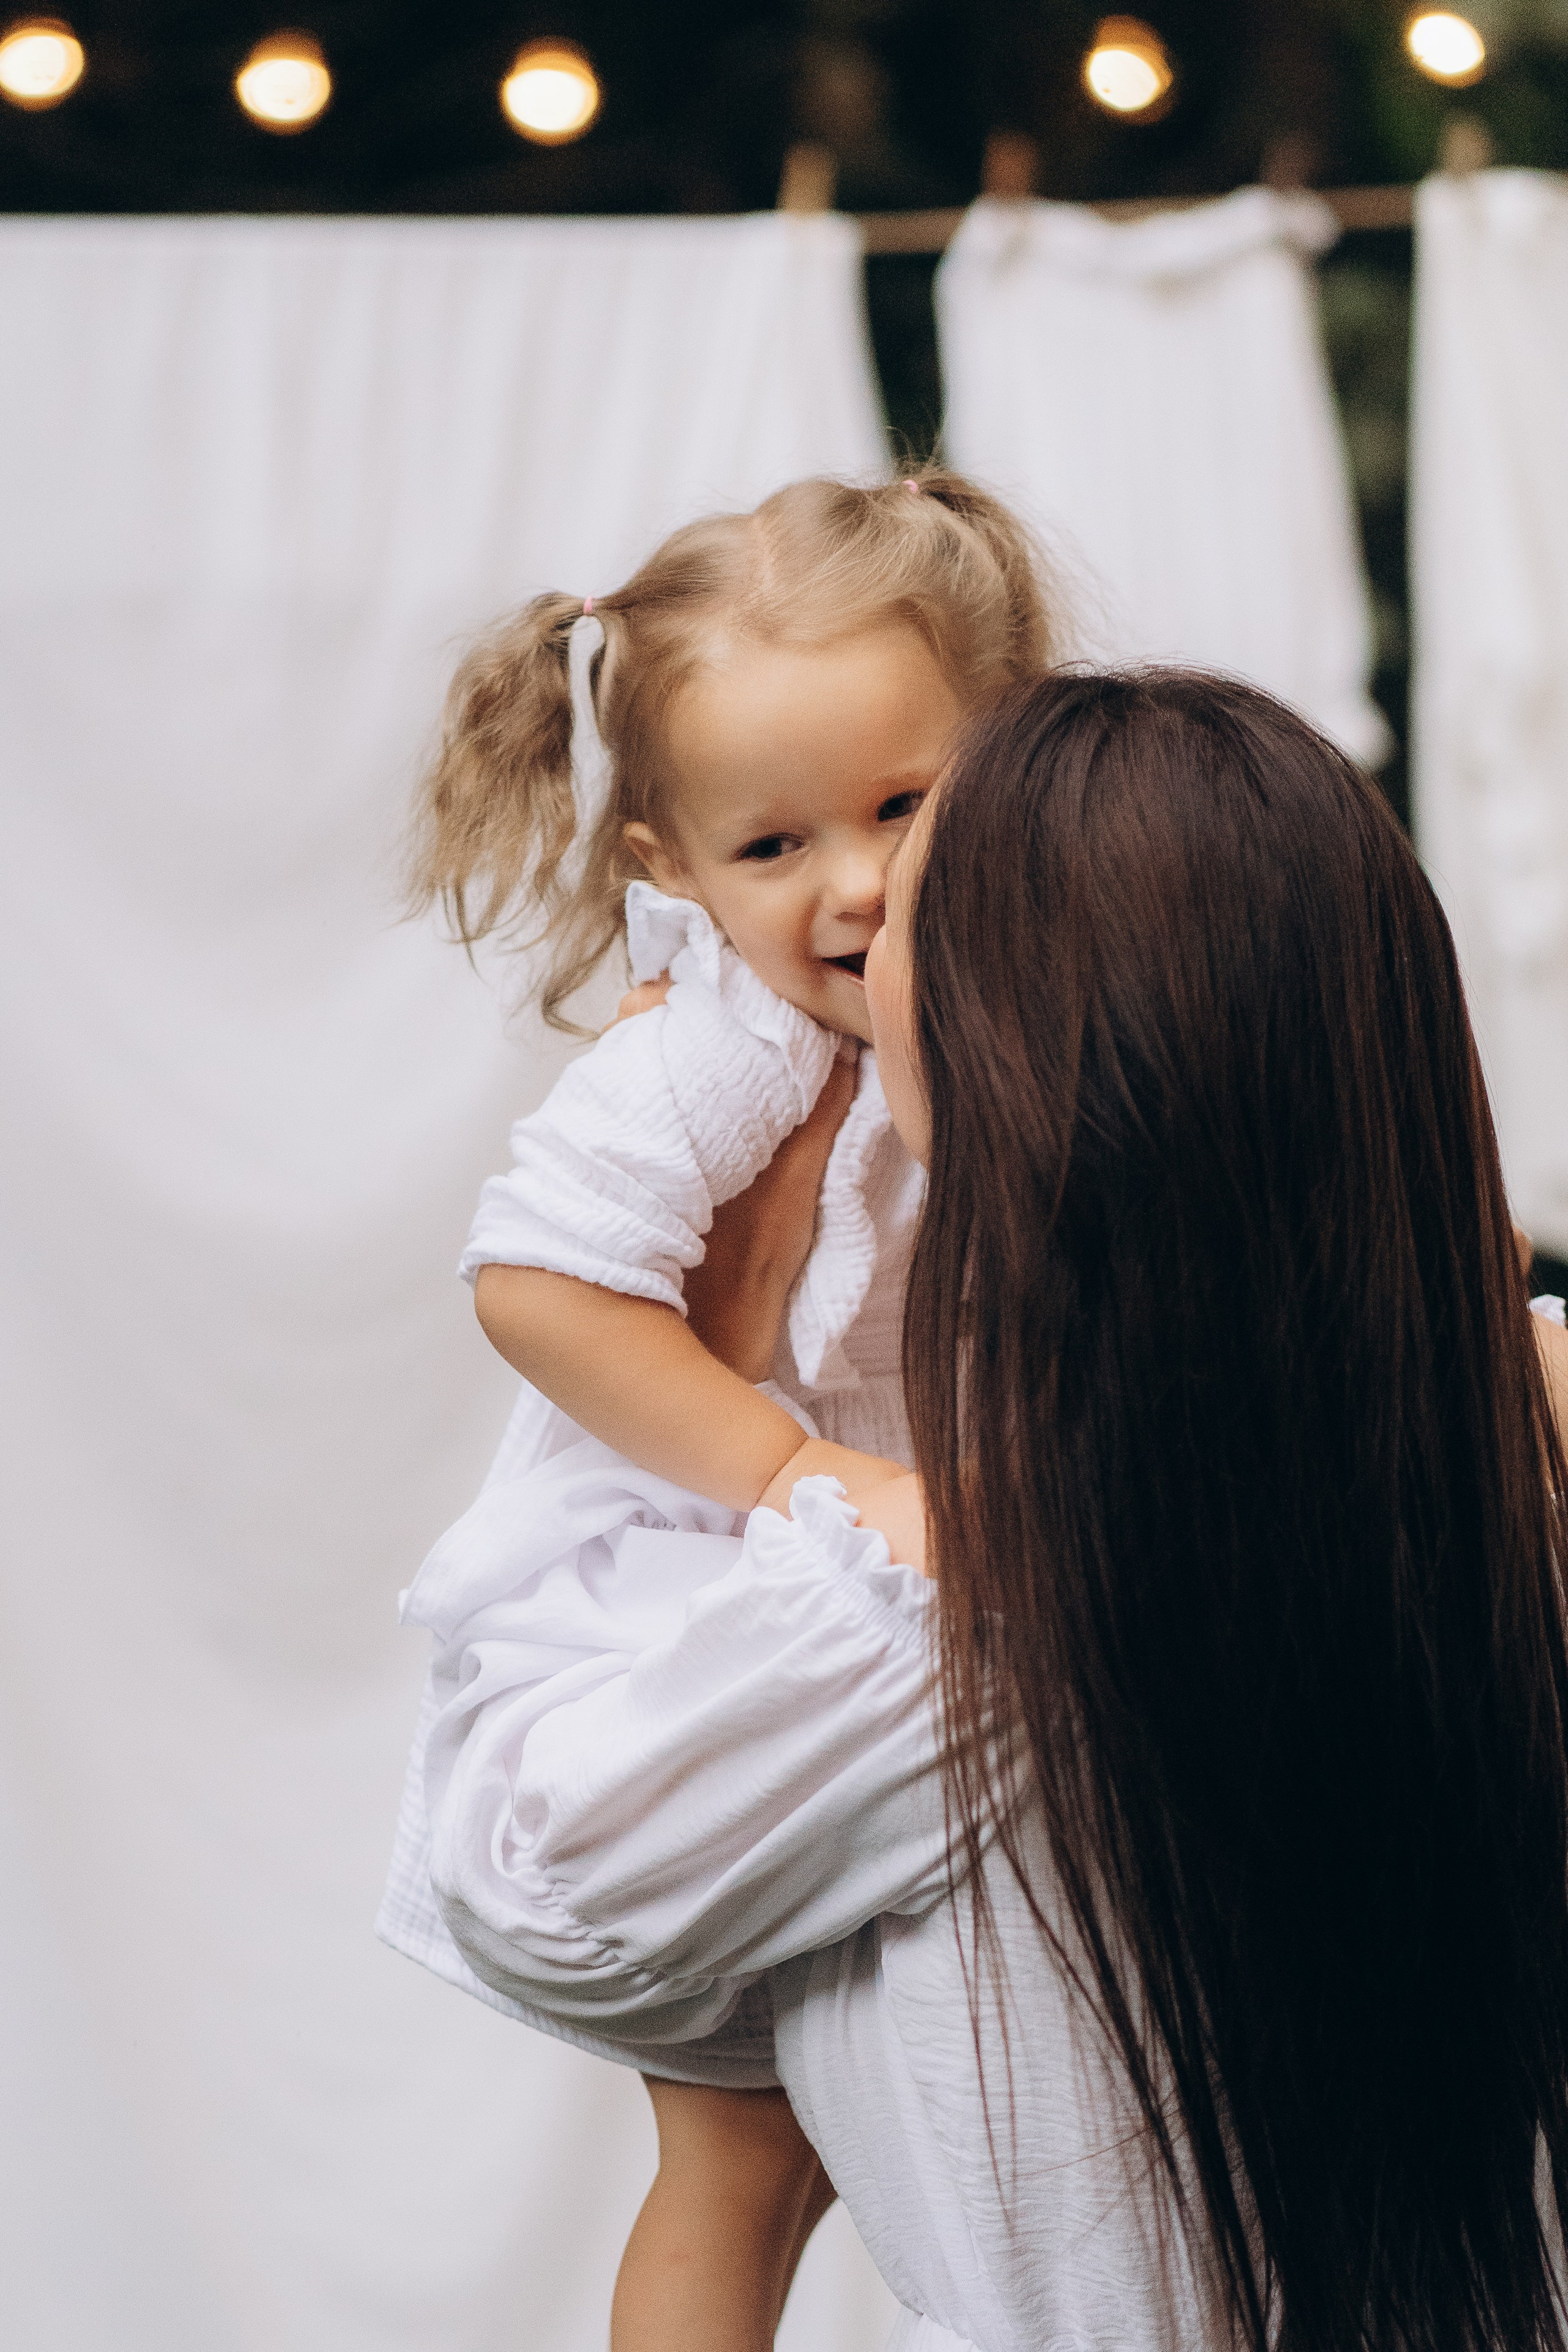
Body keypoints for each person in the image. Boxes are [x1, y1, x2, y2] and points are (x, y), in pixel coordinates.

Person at [414, 669, 1568, 2351]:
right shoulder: (1513, 1445)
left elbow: (534, 1890)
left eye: (900, 940)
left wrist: (737, 1425)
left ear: (1013, 1069)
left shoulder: (933, 1619)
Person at [377, 471, 1069, 2348]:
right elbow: (534, 1282)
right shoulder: (719, 1048)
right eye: (773, 848)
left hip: (912, 1587)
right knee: (743, 2161)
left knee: (912, 2108)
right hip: (692, 1588)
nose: (852, 884)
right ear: (670, 869)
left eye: (905, 808)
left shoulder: (1045, 989)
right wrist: (786, 1467)